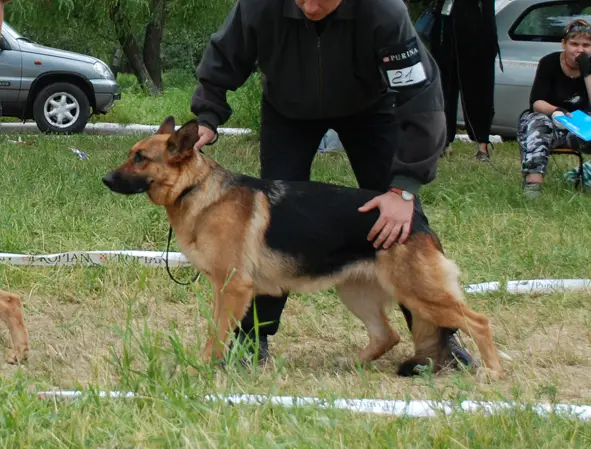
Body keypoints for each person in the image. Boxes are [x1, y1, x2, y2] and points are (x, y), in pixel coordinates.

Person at [190, 0, 472, 373]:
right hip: (288, 111)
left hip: (370, 108)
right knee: (270, 226)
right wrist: (207, 116)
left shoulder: (383, 11)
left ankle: (439, 341)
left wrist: (404, 188)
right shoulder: (259, 6)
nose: (309, 6)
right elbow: (223, 58)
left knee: (400, 220)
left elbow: (421, 99)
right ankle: (250, 338)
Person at [518, 19, 591, 199]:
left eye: (586, 45)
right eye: (574, 44)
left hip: (581, 129)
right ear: (564, 44)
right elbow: (536, 102)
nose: (579, 50)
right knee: (536, 122)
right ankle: (533, 186)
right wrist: (556, 110)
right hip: (551, 122)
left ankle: (583, 176)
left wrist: (587, 73)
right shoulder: (549, 62)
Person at [428, 0, 501, 161]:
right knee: (444, 89)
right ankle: (443, 142)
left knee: (480, 90)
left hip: (477, 34)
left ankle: (482, 145)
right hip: (445, 33)